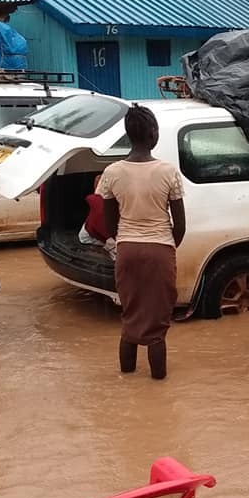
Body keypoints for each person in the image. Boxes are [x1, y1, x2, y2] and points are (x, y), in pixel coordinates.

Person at [97, 104, 186, 379]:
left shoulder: (111, 172)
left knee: (130, 316)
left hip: (126, 250)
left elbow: (109, 224)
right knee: (156, 326)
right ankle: (158, 389)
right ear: (153, 134)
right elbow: (180, 226)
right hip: (160, 249)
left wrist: (123, 241)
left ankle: (128, 380)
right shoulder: (168, 171)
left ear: (128, 135)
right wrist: (166, 247)